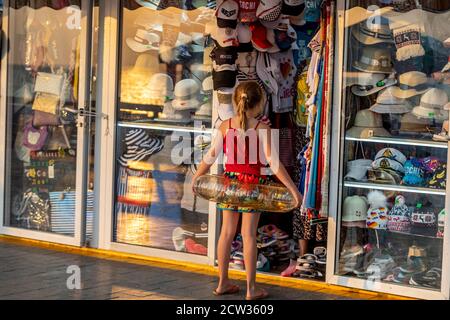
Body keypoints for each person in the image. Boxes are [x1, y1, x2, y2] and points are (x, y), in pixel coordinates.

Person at [192, 81, 302, 300]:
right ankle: (251, 289)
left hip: (229, 184)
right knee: (248, 235)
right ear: (260, 103)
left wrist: (196, 177)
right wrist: (292, 189)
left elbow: (211, 156)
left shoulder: (225, 126)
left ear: (236, 101)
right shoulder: (262, 128)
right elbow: (273, 162)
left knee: (226, 233)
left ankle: (223, 282)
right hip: (253, 187)